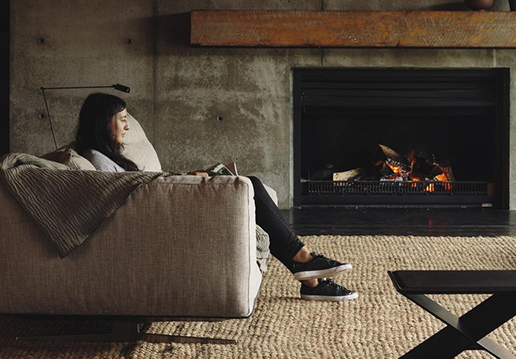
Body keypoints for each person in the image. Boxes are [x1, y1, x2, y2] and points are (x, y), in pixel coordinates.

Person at [75, 93, 357, 302]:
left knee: (250, 187)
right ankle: (304, 260)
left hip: (163, 204)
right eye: (123, 120)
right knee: (252, 186)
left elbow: (140, 188)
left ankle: (310, 277)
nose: (127, 126)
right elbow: (130, 200)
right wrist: (182, 182)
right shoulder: (98, 161)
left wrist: (186, 176)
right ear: (103, 122)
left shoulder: (107, 156)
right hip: (160, 217)